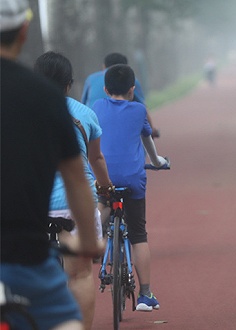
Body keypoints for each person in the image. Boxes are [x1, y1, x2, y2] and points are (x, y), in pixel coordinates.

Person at [0, 1, 103, 329]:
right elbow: (77, 179)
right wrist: (88, 238)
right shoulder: (46, 99)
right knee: (69, 311)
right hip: (25, 254)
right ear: (25, 31)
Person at [33, 51, 114, 330]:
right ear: (69, 84)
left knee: (27, 276)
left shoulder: (19, 111)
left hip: (32, 205)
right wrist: (106, 186)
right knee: (79, 276)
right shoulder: (84, 113)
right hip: (75, 203)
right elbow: (96, 160)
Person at [92, 63, 168, 312]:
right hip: (133, 180)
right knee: (138, 234)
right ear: (132, 89)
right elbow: (148, 144)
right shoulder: (139, 110)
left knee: (103, 202)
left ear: (105, 89)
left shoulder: (97, 107)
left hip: (105, 176)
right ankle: (145, 294)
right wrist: (158, 163)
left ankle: (95, 230)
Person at [81, 52, 159, 137]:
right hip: (120, 127)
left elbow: (83, 104)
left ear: (104, 66)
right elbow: (144, 108)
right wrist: (152, 131)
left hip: (89, 128)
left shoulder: (90, 79)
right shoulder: (131, 80)